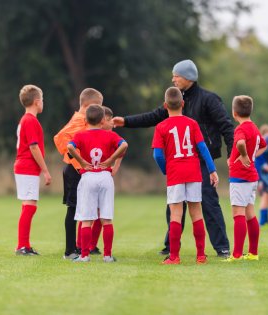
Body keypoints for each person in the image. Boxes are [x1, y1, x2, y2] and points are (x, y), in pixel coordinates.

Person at [113, 59, 233, 257]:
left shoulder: (210, 99)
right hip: (180, 162)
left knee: (208, 202)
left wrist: (231, 154)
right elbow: (152, 117)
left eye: (176, 75)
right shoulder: (176, 100)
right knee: (175, 206)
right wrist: (126, 121)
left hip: (203, 160)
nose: (173, 79)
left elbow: (226, 127)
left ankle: (222, 247)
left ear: (188, 77)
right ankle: (171, 246)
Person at [152, 87, 218, 265]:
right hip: (193, 172)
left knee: (175, 214)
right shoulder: (192, 124)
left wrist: (166, 169)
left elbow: (157, 155)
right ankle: (201, 256)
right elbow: (203, 149)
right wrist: (212, 170)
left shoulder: (161, 127)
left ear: (165, 105)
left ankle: (174, 257)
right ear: (183, 103)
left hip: (175, 173)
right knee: (196, 213)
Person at [67, 105, 128, 262]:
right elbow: (124, 145)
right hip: (105, 177)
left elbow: (69, 147)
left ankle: (85, 255)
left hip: (88, 176)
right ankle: (107, 255)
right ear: (103, 120)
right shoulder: (110, 135)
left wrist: (81, 160)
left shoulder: (81, 136)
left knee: (87, 219)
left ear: (86, 120)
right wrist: (110, 160)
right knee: (106, 218)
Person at [53, 88, 104, 259]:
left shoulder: (82, 120)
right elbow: (60, 138)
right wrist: (78, 162)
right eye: (99, 107)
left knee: (80, 208)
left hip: (77, 170)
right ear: (90, 105)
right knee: (73, 208)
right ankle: (69, 251)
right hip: (74, 171)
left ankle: (76, 247)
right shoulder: (79, 120)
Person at [224, 95, 267, 262]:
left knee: (238, 213)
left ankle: (236, 255)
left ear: (234, 113)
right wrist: (250, 156)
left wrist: (243, 155)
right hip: (251, 177)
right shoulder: (255, 128)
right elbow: (263, 145)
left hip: (240, 177)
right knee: (250, 213)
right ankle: (253, 253)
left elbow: (241, 143)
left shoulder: (240, 129)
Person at [14, 84, 52, 255]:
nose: (43, 103)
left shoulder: (26, 120)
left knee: (27, 205)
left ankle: (23, 245)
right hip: (27, 166)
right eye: (42, 100)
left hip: (24, 167)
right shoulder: (30, 120)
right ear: (37, 102)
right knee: (30, 205)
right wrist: (45, 170)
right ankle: (22, 246)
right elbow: (34, 147)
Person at [85, 106, 123, 255]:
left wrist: (115, 165)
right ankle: (83, 245)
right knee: (89, 214)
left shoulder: (111, 136)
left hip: (102, 177)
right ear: (103, 121)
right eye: (109, 120)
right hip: (92, 176)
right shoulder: (94, 134)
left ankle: (91, 246)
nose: (112, 124)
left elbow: (123, 148)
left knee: (100, 214)